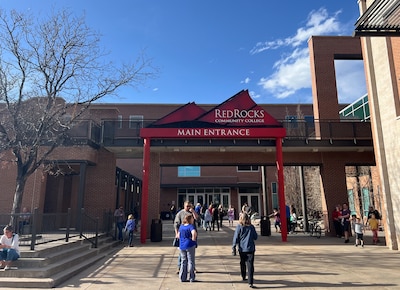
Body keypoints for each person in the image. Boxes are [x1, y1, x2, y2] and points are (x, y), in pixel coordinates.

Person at [232, 212, 258, 288]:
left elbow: (236, 237)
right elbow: (255, 237)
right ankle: (250, 282)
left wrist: (233, 246)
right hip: (250, 248)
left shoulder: (239, 227)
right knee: (250, 265)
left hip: (242, 248)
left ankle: (243, 275)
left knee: (242, 262)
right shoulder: (251, 227)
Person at [174, 201, 199, 274]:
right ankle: (179, 267)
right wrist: (177, 234)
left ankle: (193, 268)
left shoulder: (192, 213)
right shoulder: (180, 213)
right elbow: (176, 224)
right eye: (187, 206)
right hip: (183, 236)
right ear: (184, 206)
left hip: (191, 235)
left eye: (190, 206)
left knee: (191, 254)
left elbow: (197, 219)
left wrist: (193, 211)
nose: (188, 208)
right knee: (182, 253)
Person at [178, 214, 197, 282]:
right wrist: (193, 239)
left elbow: (178, 235)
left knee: (183, 261)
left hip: (182, 245)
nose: (193, 219)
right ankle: (191, 277)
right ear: (190, 219)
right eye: (192, 218)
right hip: (190, 244)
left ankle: (182, 277)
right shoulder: (191, 226)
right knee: (191, 261)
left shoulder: (181, 226)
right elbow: (194, 233)